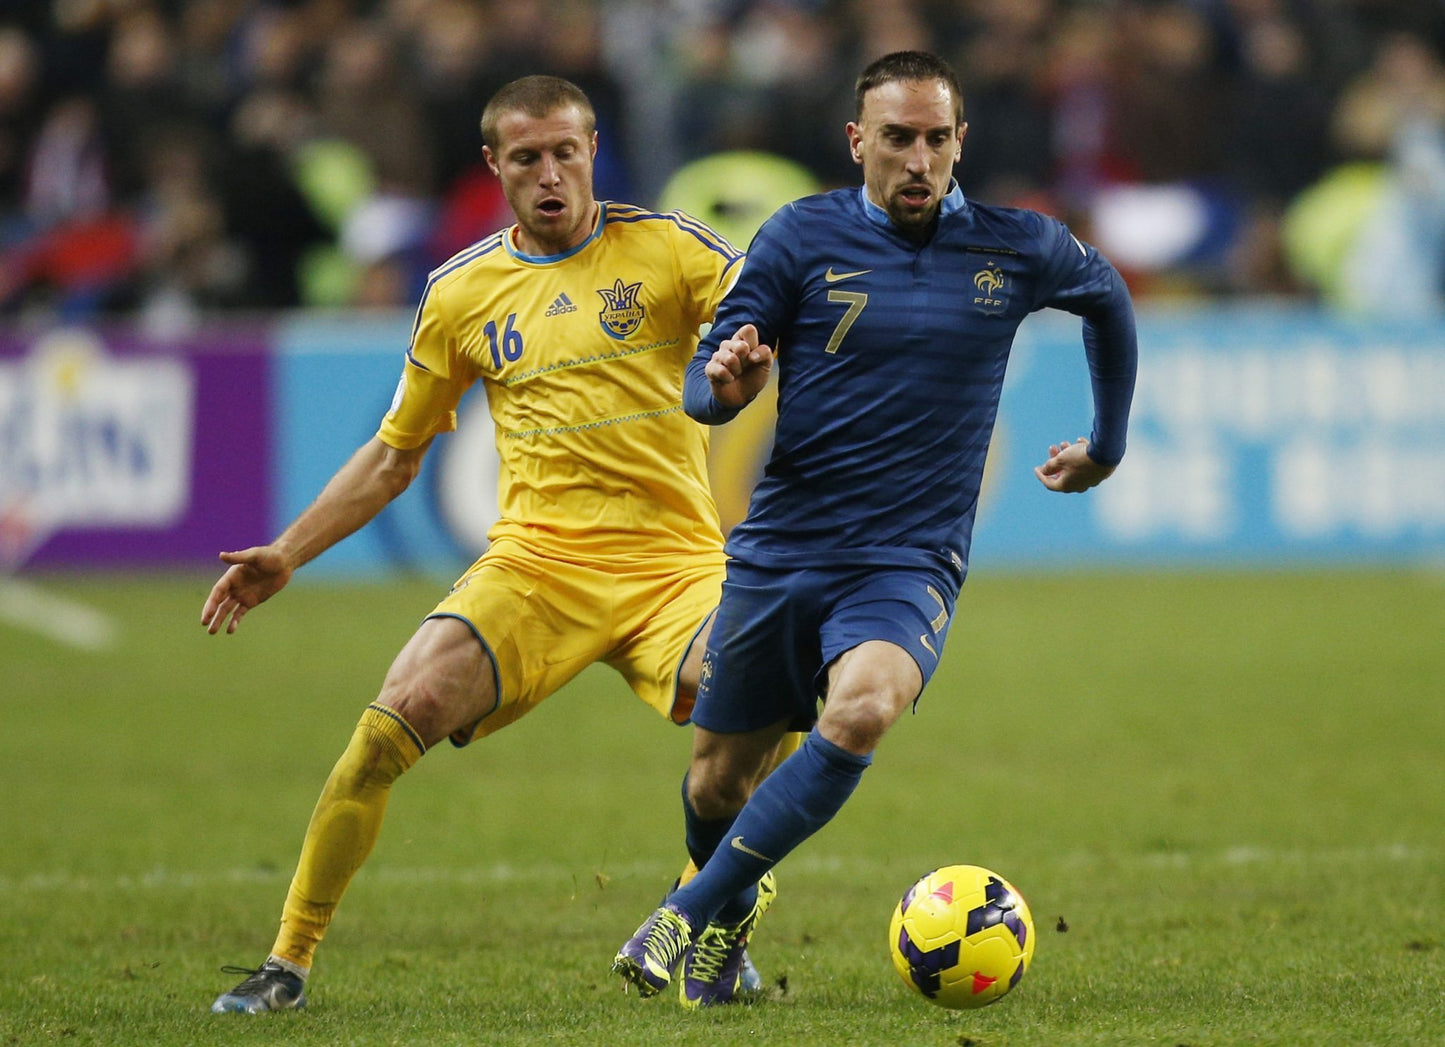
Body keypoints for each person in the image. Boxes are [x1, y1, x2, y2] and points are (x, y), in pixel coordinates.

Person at [203, 74, 768, 1013]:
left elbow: (771, 309)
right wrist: (288, 551)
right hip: (535, 568)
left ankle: (719, 912)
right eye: (526, 158)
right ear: (494, 167)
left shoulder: (668, 250)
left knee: (767, 688)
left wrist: (752, 357)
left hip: (675, 569)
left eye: (565, 153)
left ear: (593, 151)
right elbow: (393, 456)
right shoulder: (461, 292)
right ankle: (287, 963)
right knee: (390, 719)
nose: (550, 174)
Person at [612, 50, 1138, 1005]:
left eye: (937, 139)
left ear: (959, 143)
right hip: (783, 547)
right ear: (858, 141)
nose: (918, 159)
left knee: (863, 709)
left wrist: (1105, 442)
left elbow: (1106, 299)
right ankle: (723, 947)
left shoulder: (1014, 247)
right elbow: (705, 377)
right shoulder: (796, 238)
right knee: (714, 787)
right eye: (897, 138)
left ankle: (681, 914)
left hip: (907, 559)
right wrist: (721, 390)